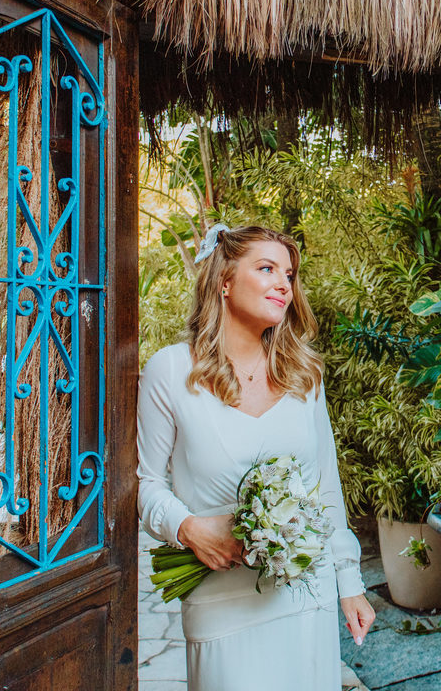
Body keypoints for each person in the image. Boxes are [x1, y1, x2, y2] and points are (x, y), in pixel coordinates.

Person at [138, 224, 376, 690]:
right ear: (223, 281)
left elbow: (325, 485)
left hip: (306, 600)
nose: (285, 283)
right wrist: (187, 528)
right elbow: (145, 483)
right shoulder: (170, 371)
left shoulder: (304, 375)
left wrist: (350, 583)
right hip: (220, 602)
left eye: (289, 273)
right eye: (266, 268)